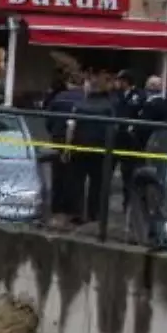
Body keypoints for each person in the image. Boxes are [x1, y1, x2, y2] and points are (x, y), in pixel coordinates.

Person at [64, 71, 115, 226]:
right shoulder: (109, 107)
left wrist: (67, 148)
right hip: (100, 151)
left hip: (79, 148)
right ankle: (95, 214)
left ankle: (77, 213)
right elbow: (113, 129)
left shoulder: (79, 106)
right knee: (97, 184)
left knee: (77, 182)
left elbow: (70, 128)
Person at [43, 71, 84, 221]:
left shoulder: (59, 97)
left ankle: (57, 206)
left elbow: (48, 119)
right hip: (78, 142)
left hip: (58, 140)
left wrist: (54, 132)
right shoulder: (85, 99)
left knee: (58, 174)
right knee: (76, 176)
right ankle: (73, 208)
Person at [111, 70, 144, 209]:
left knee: (128, 174)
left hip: (129, 141)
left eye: (120, 80)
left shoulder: (139, 96)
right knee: (107, 171)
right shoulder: (116, 95)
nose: (117, 83)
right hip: (115, 138)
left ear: (125, 81)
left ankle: (128, 204)